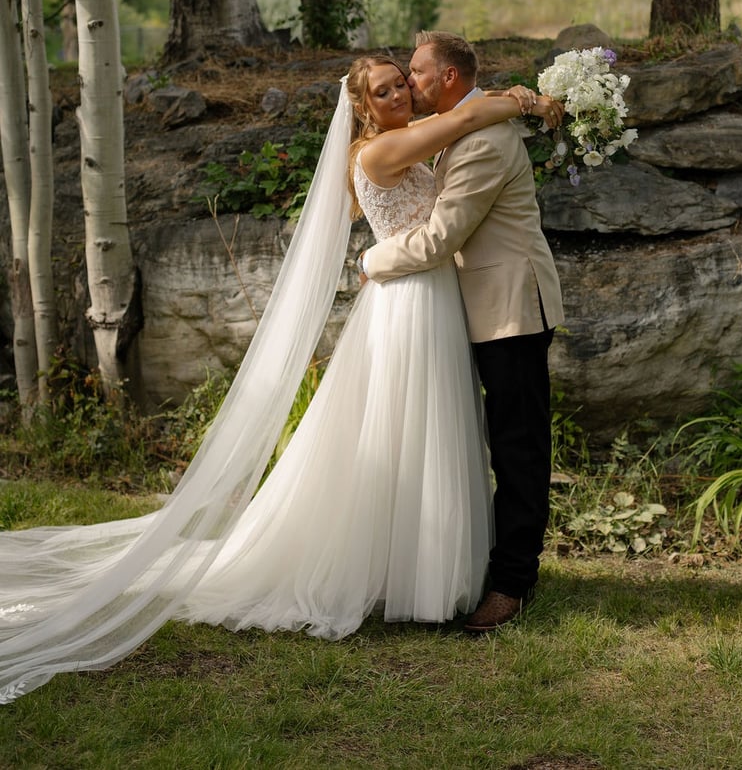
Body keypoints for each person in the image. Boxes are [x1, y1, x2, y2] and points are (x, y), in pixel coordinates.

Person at [0, 54, 560, 702]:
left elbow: (460, 130)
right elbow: (460, 142)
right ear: (364, 108)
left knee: (431, 432)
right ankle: (422, 574)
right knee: (408, 430)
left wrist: (511, 101)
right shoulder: (379, 153)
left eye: (405, 81)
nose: (402, 91)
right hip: (407, 300)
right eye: (386, 88)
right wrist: (519, 100)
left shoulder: (415, 137)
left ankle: (432, 571)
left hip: (431, 300)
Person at [362, 33, 565, 633]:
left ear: (448, 78)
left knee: (517, 445)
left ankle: (512, 584)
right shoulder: (459, 127)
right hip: (467, 308)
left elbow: (440, 238)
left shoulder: (483, 140)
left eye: (416, 74)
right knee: (478, 440)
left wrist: (370, 263)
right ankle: (470, 565)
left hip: (509, 310)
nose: (409, 84)